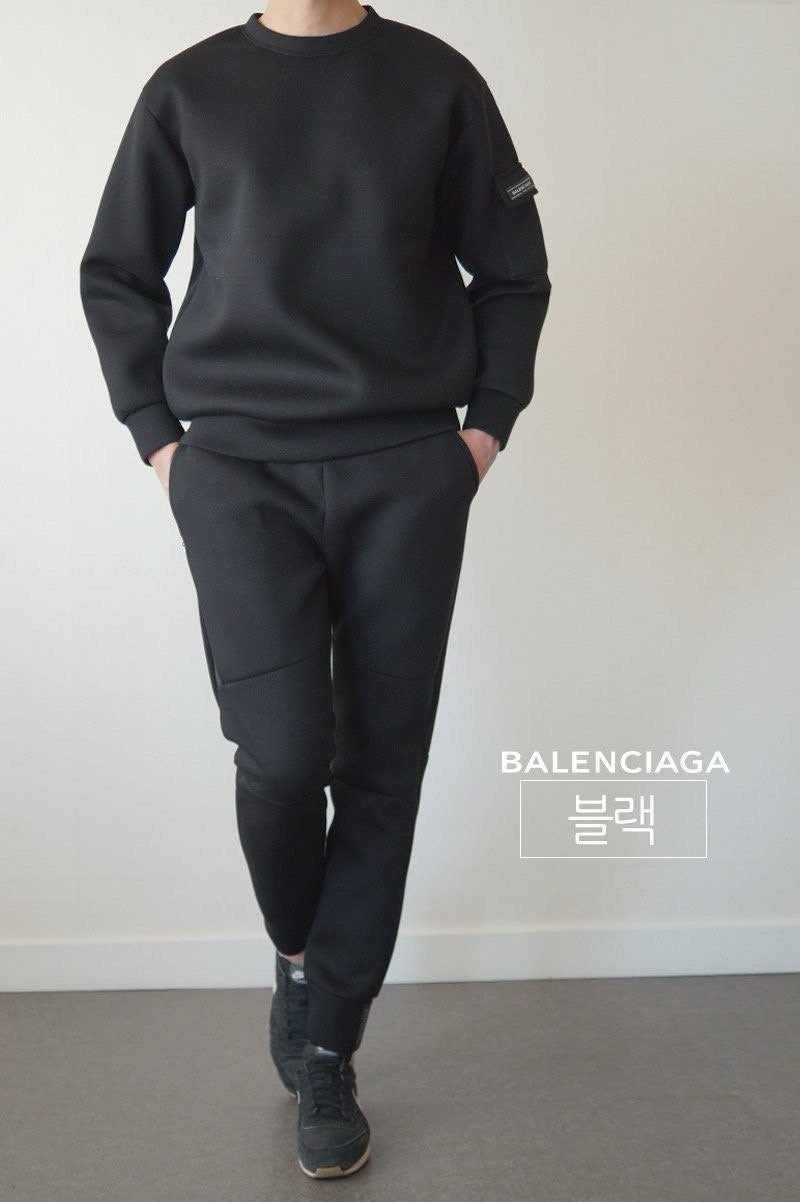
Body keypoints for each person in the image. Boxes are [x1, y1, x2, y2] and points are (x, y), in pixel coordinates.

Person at [79, 0, 551, 1180]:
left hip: (407, 468)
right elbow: (117, 271)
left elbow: (510, 273)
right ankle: (298, 951)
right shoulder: (189, 89)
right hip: (238, 471)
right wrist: (160, 439)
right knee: (283, 752)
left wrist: (480, 432)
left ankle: (331, 1047)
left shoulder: (435, 80)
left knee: (382, 764)